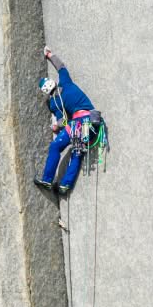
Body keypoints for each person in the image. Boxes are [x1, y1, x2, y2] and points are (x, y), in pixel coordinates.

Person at [33, 46, 97, 197]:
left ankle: (48, 180)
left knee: (56, 146)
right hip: (92, 121)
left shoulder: (54, 103)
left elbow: (63, 121)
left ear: (46, 92)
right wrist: (49, 54)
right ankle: (64, 186)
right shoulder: (65, 82)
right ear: (53, 83)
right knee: (77, 152)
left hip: (78, 123)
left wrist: (55, 127)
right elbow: (60, 67)